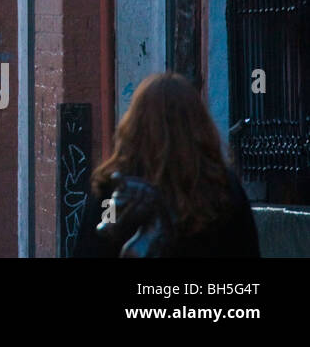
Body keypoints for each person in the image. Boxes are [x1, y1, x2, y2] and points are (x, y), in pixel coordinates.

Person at [73, 72, 261, 258]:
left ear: (135, 124)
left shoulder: (116, 188)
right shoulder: (221, 189)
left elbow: (89, 249)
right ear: (198, 125)